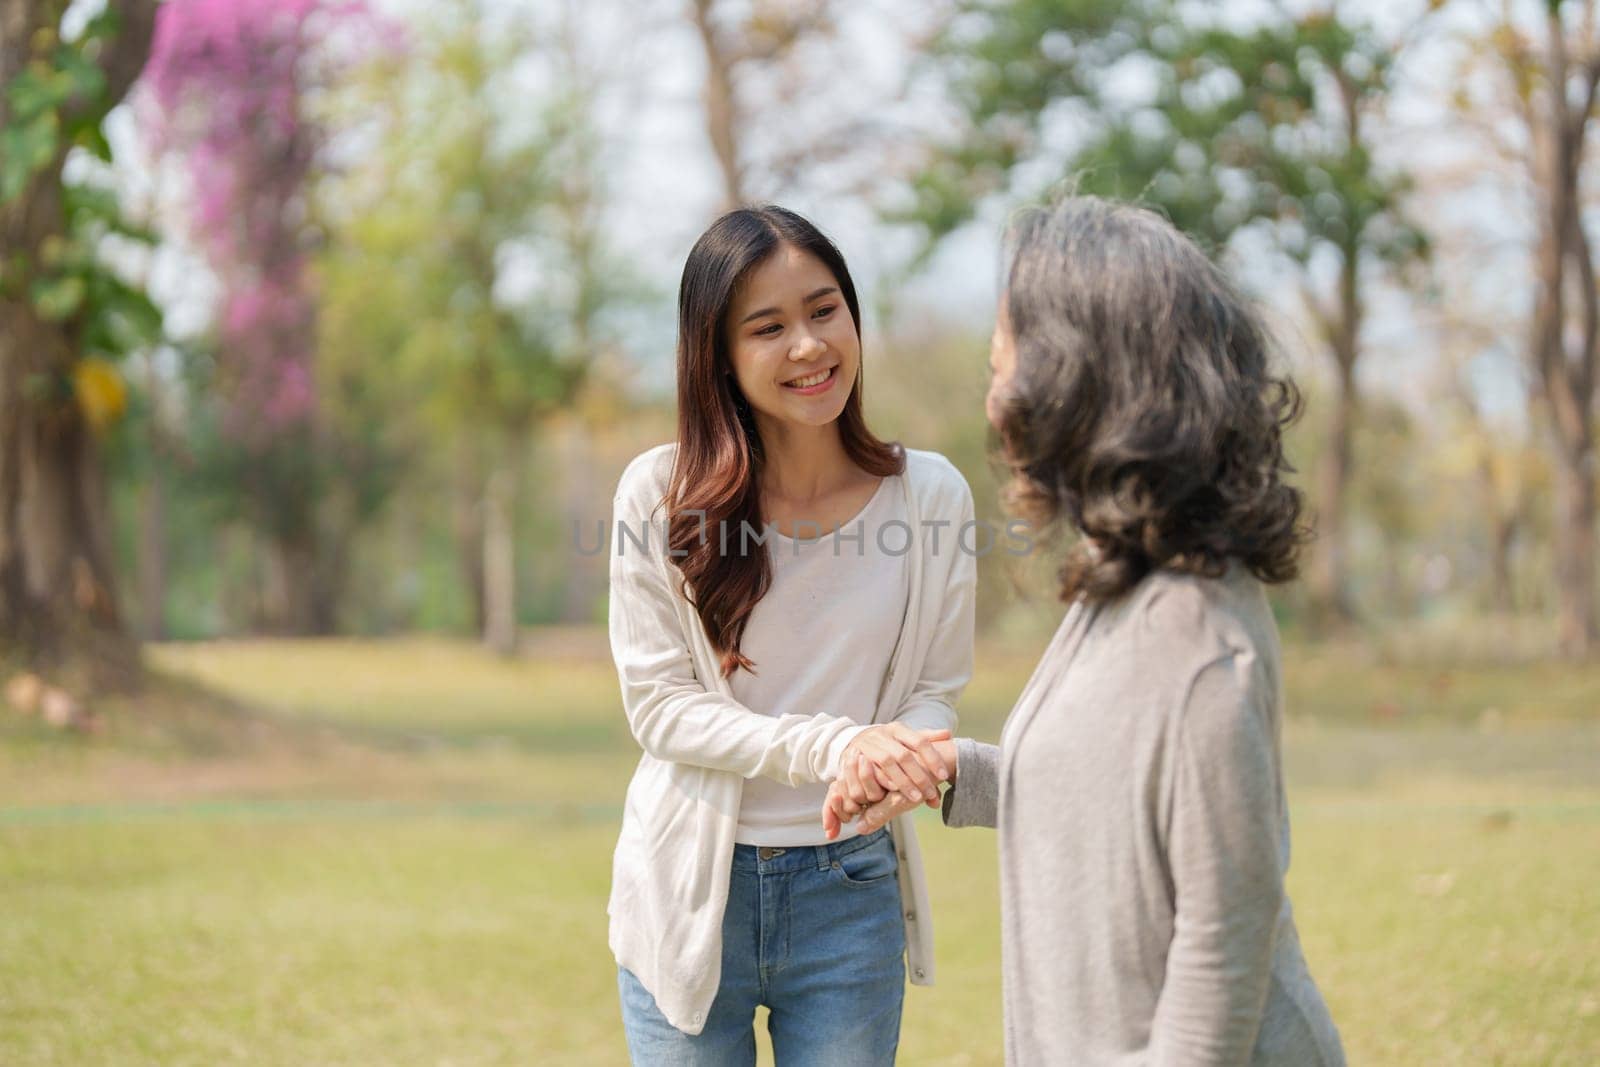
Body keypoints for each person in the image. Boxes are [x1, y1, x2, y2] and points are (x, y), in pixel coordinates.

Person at [827, 195, 1347, 1066]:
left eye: (1007, 369)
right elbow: (1113, 794)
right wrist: (961, 773)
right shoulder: (1125, 582)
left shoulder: (1199, 634)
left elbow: (1224, 940)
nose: (996, 404)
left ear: (1081, 383)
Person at [606, 204, 975, 1064]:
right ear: (720, 357)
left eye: (824, 310)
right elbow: (661, 709)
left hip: (848, 889)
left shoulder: (933, 497)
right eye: (767, 327)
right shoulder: (659, 495)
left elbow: (933, 689)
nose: (809, 346)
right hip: (692, 886)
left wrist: (899, 763)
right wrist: (837, 747)